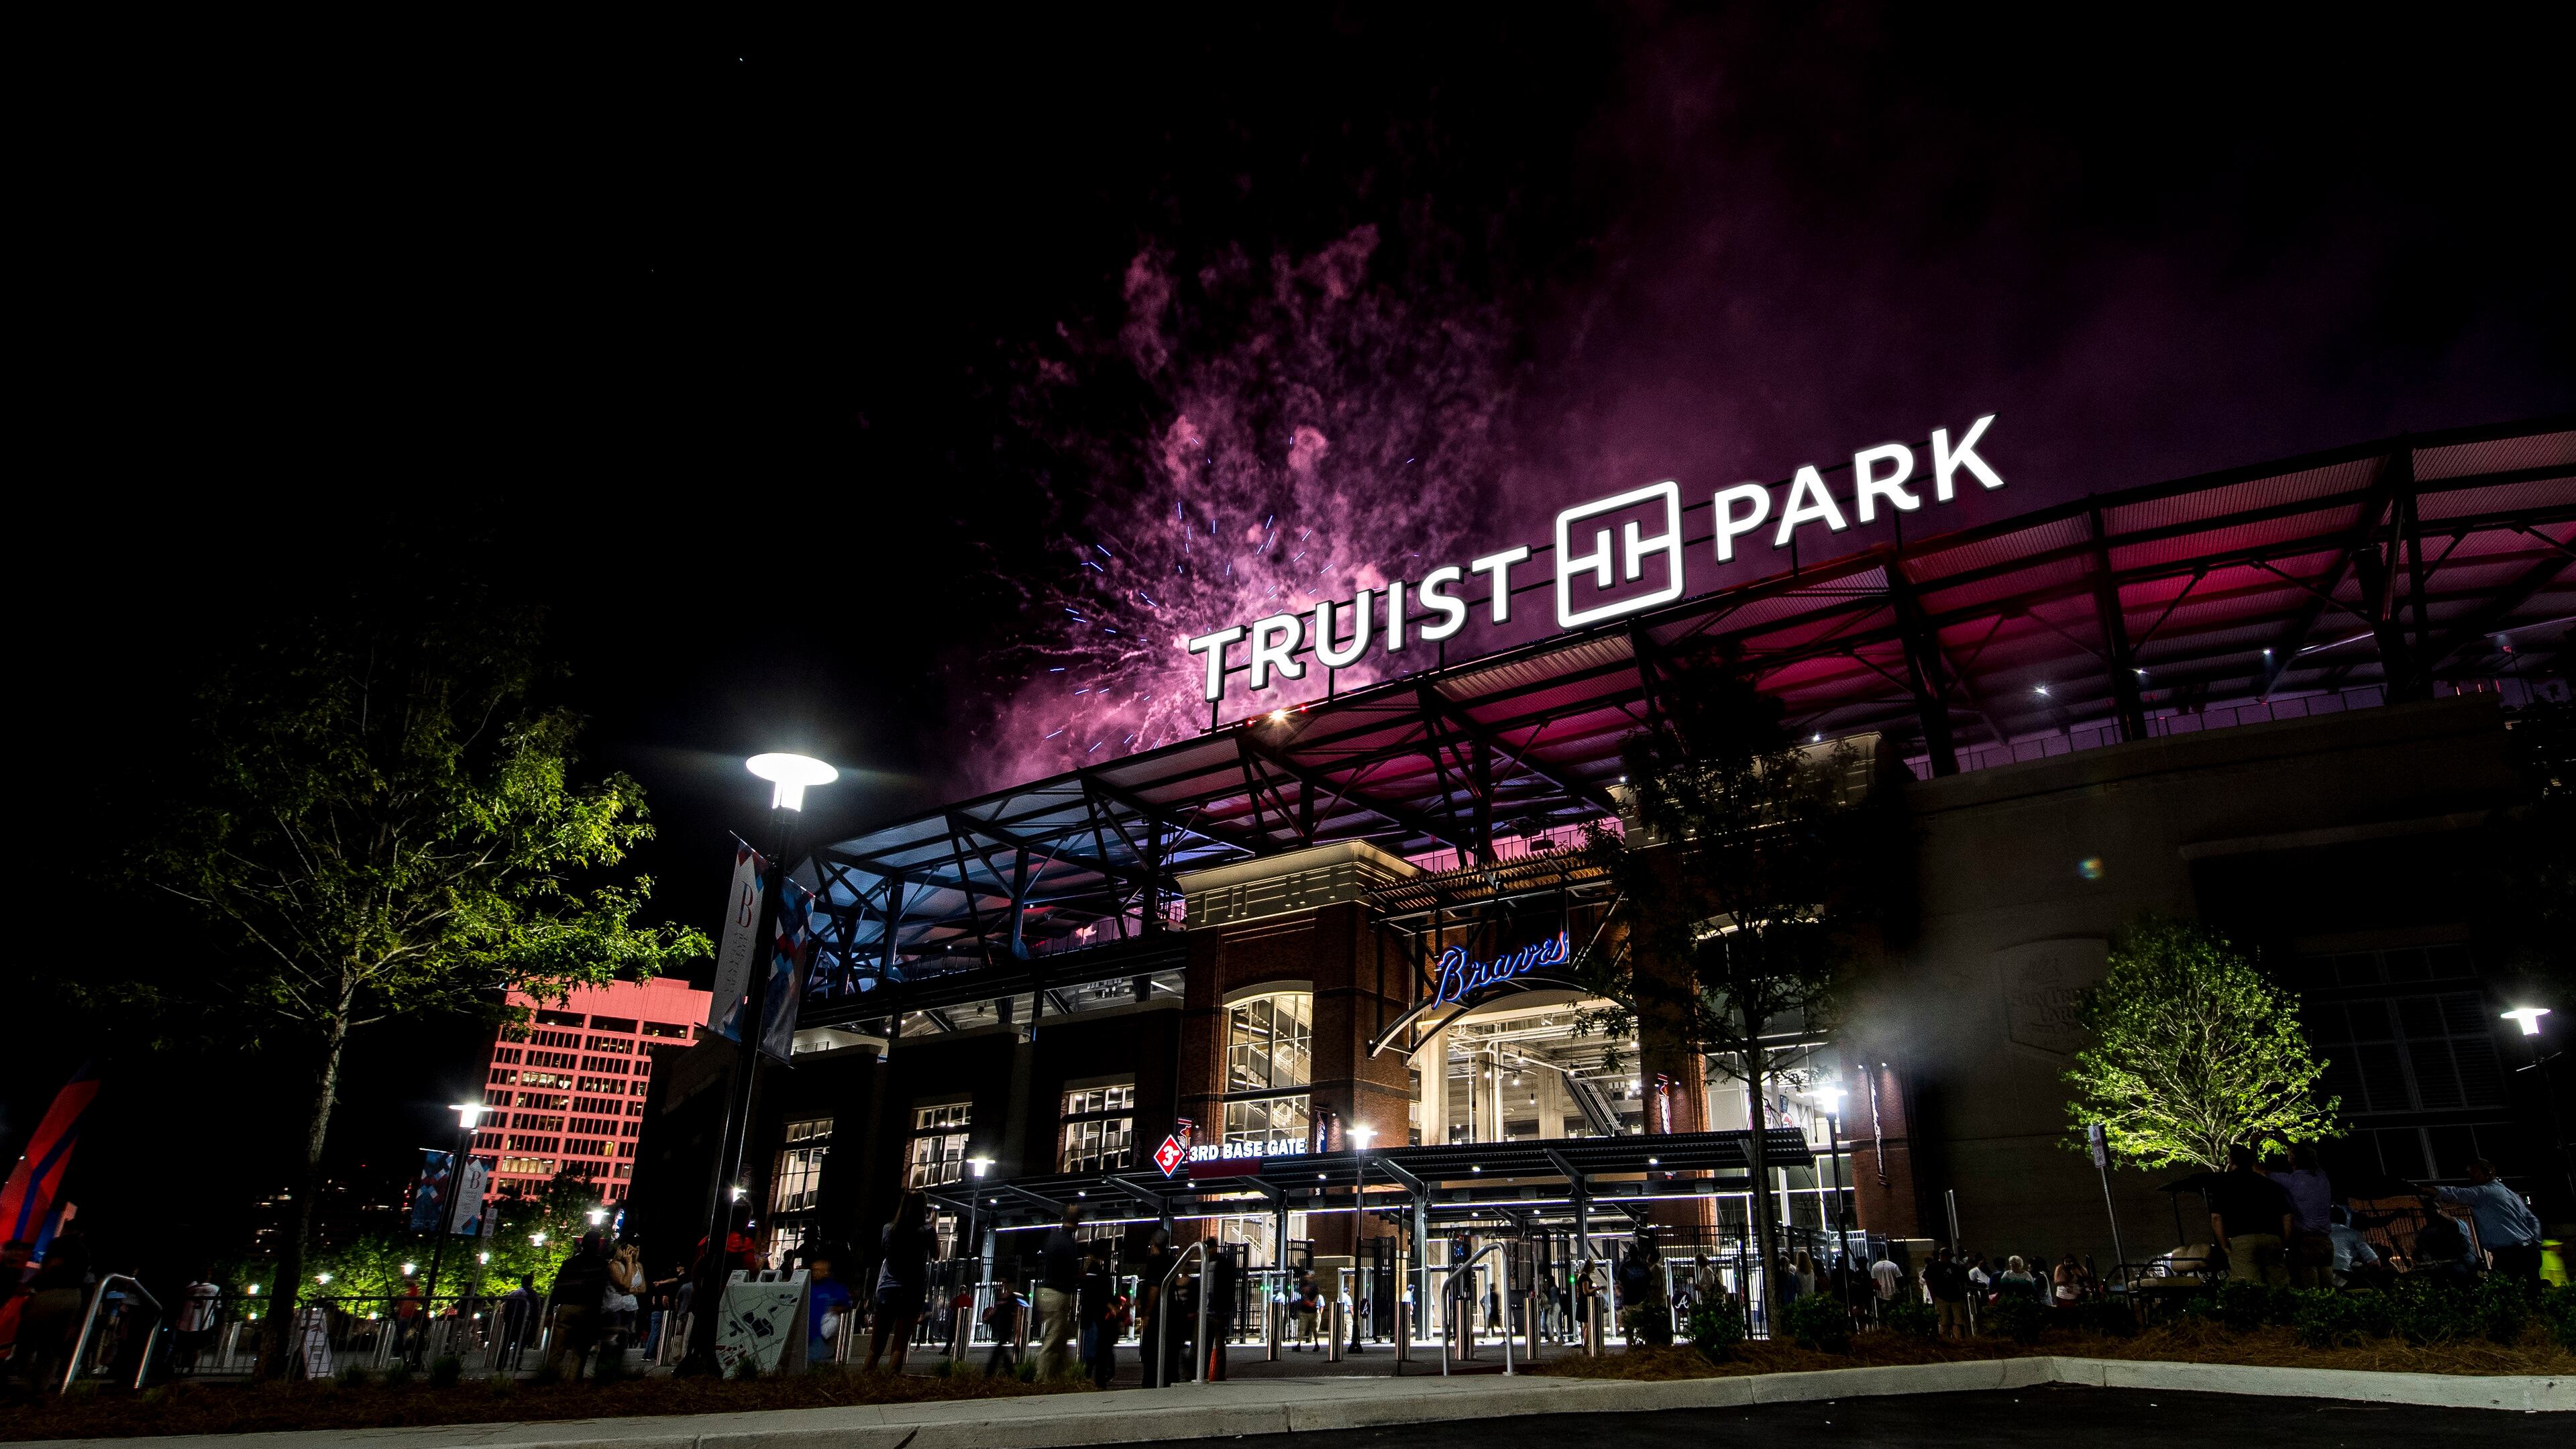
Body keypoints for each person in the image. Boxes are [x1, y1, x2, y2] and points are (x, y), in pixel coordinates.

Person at [2434, 1161, 2546, 1283]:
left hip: (2510, 1255)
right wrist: (2534, 1242)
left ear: (2488, 1173)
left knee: (2506, 1289)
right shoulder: (2511, 1194)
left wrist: (2430, 1190)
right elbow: (2533, 1220)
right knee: (2531, 1289)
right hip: (2526, 1251)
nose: (2471, 1176)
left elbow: (2457, 1194)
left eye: (2474, 1172)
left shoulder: (2485, 1192)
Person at [2208, 1144, 2294, 1286]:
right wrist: (2284, 1241)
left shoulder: (2224, 1184)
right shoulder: (2269, 1184)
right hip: (2272, 1239)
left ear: (2231, 1160)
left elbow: (2216, 1217)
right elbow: (2287, 1216)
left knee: (2249, 1287)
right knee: (2278, 1285)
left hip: (2242, 1240)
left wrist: (2224, 1245)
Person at [868, 1193, 934, 1373]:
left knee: (875, 1347)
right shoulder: (927, 1231)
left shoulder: (888, 1229)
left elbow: (885, 1250)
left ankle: (865, 1381)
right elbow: (936, 1255)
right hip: (912, 1290)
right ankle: (891, 1380)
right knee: (900, 1344)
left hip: (887, 1289)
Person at [546, 1232, 610, 1379]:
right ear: (598, 1245)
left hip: (567, 1307)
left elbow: (558, 1287)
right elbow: (601, 1289)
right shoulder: (601, 1265)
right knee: (580, 1349)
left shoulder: (569, 1263)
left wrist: (550, 1310)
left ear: (582, 1244)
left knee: (557, 1347)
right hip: (588, 1308)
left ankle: (550, 1377)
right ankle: (573, 1380)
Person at [2269, 1146, 2335, 1288]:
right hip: (2325, 1240)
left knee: (2309, 1285)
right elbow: (2309, 1157)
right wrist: (2286, 1142)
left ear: (2293, 1160)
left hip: (2305, 1240)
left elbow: (2260, 1171)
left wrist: (2254, 1145)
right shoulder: (2322, 1177)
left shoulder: (2291, 1181)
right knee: (2328, 1286)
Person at [1035, 1204, 1085, 1379]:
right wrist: (1082, 1275)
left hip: (1045, 1292)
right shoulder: (1069, 1243)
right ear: (1077, 1222)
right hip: (1058, 1294)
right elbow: (1072, 1272)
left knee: (1060, 1338)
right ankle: (1041, 1379)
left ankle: (1059, 1376)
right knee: (1053, 1340)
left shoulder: (1052, 1238)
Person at [1077, 1250, 1117, 1389]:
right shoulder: (1097, 1271)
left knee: (1093, 1348)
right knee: (1099, 1348)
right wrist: (1111, 1304)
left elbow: (1092, 1291)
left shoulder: (1091, 1271)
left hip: (1092, 1315)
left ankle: (1088, 1377)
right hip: (1098, 1315)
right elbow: (1101, 1292)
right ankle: (1098, 1377)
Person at [805, 1251, 854, 1364]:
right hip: (807, 1334)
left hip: (821, 1337)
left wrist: (832, 1315)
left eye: (819, 1270)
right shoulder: (809, 1286)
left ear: (826, 1271)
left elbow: (846, 1304)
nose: (815, 1273)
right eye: (814, 1270)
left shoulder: (834, 1288)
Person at [2326, 1206, 2383, 1289]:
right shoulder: (2353, 1233)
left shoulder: (2320, 1234)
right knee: (2369, 1289)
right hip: (2345, 1273)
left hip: (2325, 1274)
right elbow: (2373, 1259)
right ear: (2345, 1218)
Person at [982, 1276, 1025, 1376]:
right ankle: (1009, 1370)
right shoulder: (1001, 1296)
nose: (1003, 1284)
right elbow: (997, 1310)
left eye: (1005, 1283)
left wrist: (1017, 1330)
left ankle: (991, 1371)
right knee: (1001, 1349)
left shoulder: (1012, 1297)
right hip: (1000, 1325)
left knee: (999, 1349)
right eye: (1002, 1283)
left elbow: (1014, 1314)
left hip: (1006, 1326)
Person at [496, 1274, 540, 1369]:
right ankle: (515, 1364)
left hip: (511, 1321)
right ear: (531, 1282)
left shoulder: (513, 1293)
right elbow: (536, 1310)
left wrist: (506, 1319)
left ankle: (501, 1364)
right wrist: (535, 1323)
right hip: (524, 1321)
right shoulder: (532, 1294)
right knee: (520, 1344)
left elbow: (507, 1309)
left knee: (506, 1343)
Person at [1923, 1247, 1968, 1338]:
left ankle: (1959, 1339)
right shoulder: (1933, 1266)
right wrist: (1933, 1294)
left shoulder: (1954, 1267)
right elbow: (1928, 1280)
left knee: (1959, 1321)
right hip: (1941, 1297)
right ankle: (1946, 1339)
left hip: (1956, 1297)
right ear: (1942, 1256)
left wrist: (1962, 1293)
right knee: (1944, 1322)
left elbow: (1961, 1281)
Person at [1291, 1271, 1321, 1350]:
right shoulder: (1305, 1285)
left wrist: (1312, 1302)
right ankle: (1300, 1344)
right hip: (1306, 1310)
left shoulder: (1313, 1286)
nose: (1306, 1276)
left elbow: (1316, 1295)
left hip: (1310, 1310)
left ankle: (1315, 1344)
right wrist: (1312, 1302)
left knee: (1313, 1328)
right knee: (1303, 1328)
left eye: (1307, 1275)